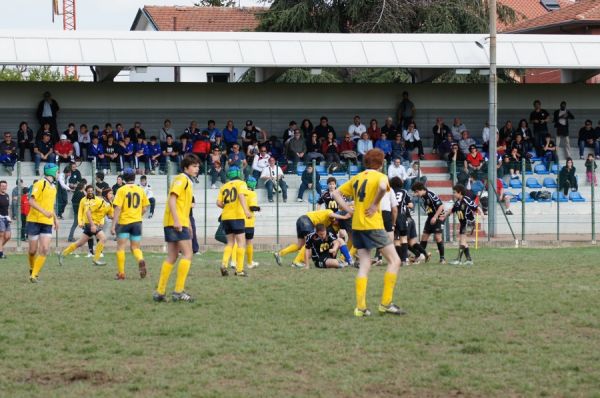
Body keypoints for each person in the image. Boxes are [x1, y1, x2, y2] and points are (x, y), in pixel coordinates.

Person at [330, 148, 404, 317]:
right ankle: (386, 303)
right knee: (395, 261)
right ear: (381, 163)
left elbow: (335, 193)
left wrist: (348, 209)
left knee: (364, 264)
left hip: (357, 226)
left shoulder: (357, 177)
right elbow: (381, 187)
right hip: (373, 225)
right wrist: (374, 204)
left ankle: (361, 307)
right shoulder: (381, 176)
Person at [153, 154, 200, 303]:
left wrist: (189, 224)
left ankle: (160, 292)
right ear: (186, 167)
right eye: (193, 166)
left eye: (197, 166)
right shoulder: (182, 179)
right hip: (176, 223)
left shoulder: (188, 181)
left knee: (172, 257)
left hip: (174, 222)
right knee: (188, 254)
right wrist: (178, 220)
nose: (196, 168)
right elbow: (172, 199)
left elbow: (184, 206)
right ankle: (178, 291)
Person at [273, 208, 349, 267]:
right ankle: (296, 262)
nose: (336, 223)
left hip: (301, 220)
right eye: (337, 221)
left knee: (300, 245)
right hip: (307, 220)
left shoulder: (328, 224)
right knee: (308, 243)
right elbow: (332, 215)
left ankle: (279, 254)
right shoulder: (330, 212)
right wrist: (344, 217)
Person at [59, 185, 114, 266]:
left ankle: (63, 254)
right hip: (90, 223)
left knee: (79, 243)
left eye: (112, 193)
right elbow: (87, 212)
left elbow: (110, 216)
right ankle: (96, 259)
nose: (112, 195)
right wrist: (92, 225)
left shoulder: (110, 204)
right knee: (103, 238)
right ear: (105, 195)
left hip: (95, 224)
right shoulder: (99, 201)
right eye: (110, 193)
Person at [110, 168, 150, 280]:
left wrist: (113, 225)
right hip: (137, 222)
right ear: (134, 177)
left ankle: (121, 274)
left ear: (123, 178)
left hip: (124, 223)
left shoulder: (121, 190)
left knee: (121, 247)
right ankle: (140, 259)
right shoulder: (140, 189)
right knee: (135, 247)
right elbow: (145, 208)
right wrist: (137, 215)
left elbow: (117, 207)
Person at [217, 166, 252, 277]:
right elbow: (241, 196)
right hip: (237, 216)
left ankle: (224, 264)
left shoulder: (224, 186)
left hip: (226, 217)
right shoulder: (241, 183)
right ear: (238, 173)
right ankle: (239, 270)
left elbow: (218, 203)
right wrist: (246, 210)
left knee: (230, 243)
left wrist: (227, 207)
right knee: (241, 243)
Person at [27, 163, 59, 283]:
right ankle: (32, 268)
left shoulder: (54, 187)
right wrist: (44, 212)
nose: (58, 173)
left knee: (45, 249)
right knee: (32, 250)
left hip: (47, 222)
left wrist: (55, 219)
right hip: (34, 221)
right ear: (51, 172)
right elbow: (31, 201)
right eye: (57, 171)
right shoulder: (40, 183)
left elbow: (51, 206)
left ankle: (34, 275)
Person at [390, 177, 428, 266]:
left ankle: (400, 259)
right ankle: (405, 260)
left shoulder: (389, 192)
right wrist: (404, 205)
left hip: (393, 216)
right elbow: (411, 205)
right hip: (403, 217)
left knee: (396, 240)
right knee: (404, 239)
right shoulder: (404, 191)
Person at [441, 184, 479, 266]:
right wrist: (444, 216)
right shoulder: (457, 202)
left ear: (460, 192)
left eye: (455, 192)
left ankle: (458, 260)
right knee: (463, 242)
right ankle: (469, 260)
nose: (453, 194)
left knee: (462, 241)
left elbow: (475, 207)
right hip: (463, 223)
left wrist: (482, 214)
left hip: (468, 223)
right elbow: (452, 210)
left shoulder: (466, 199)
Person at [411, 182, 445, 264]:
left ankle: (442, 259)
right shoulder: (422, 196)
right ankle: (421, 256)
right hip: (430, 217)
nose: (416, 194)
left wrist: (435, 217)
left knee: (438, 237)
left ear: (422, 190)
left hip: (438, 217)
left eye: (416, 192)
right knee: (424, 237)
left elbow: (441, 206)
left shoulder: (431, 195)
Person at [0, 181, 10, 259]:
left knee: (8, 236)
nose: (4, 187)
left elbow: (7, 208)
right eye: (2, 186)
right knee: (2, 235)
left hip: (6, 218)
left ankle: (0, 249)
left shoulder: (7, 195)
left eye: (5, 186)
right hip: (0, 218)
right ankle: (1, 253)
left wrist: (9, 217)